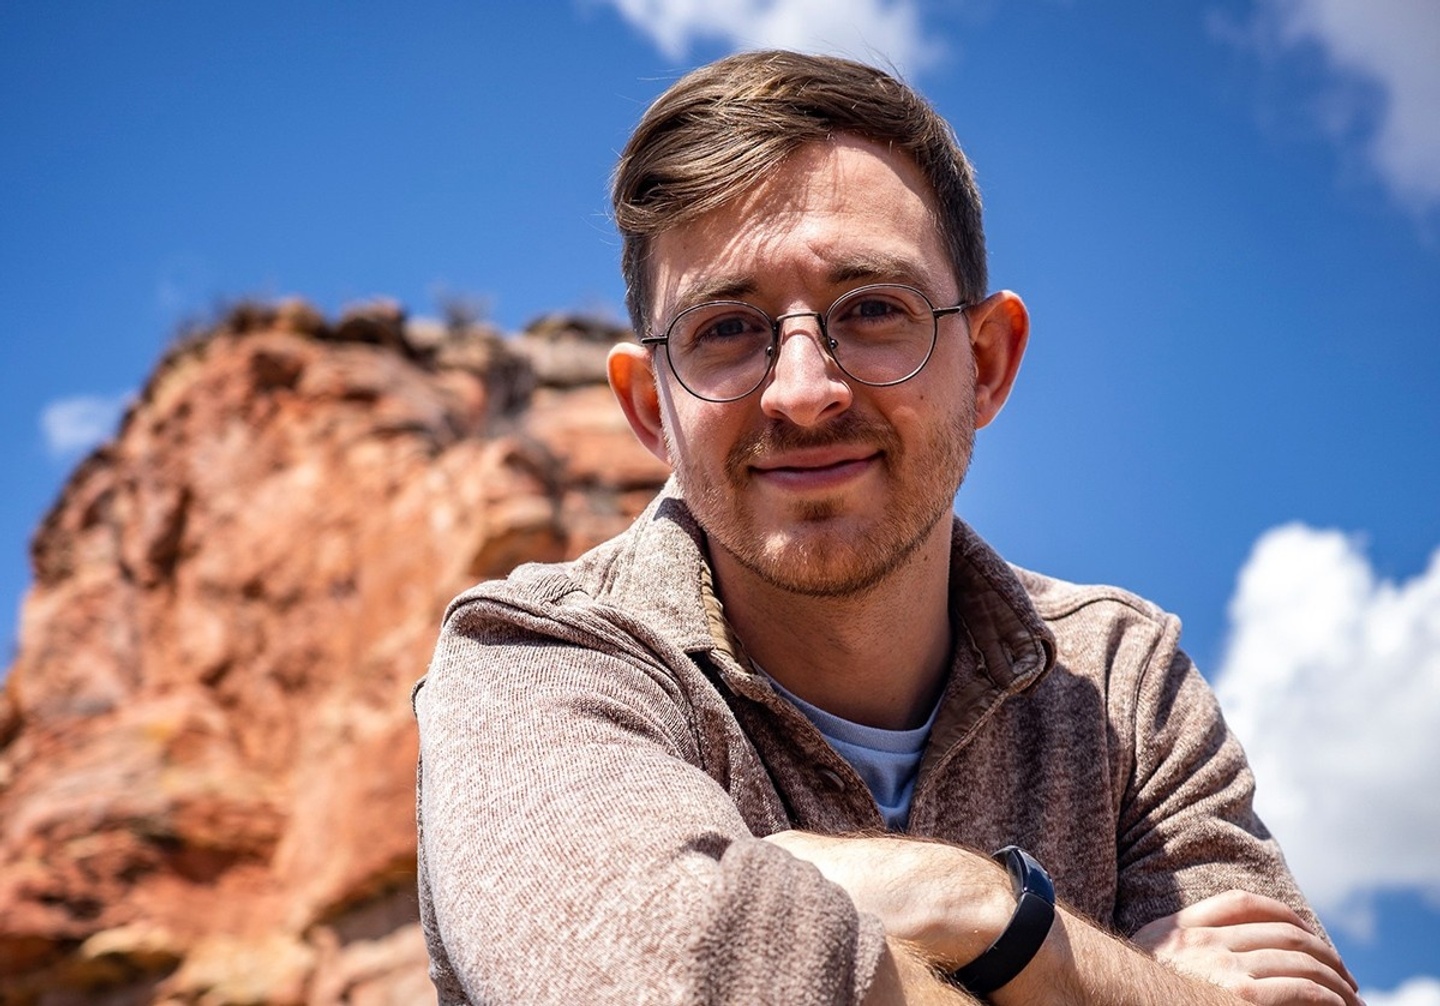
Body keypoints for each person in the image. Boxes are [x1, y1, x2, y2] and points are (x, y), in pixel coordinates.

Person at [413, 50, 1358, 1005]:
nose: (805, 391)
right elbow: (659, 981)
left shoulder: (1122, 682)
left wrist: (950, 907)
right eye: (726, 329)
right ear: (651, 408)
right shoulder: (534, 656)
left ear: (986, 361)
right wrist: (1049, 947)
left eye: (872, 311)